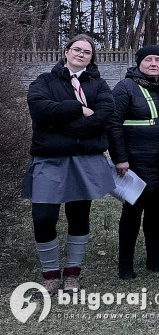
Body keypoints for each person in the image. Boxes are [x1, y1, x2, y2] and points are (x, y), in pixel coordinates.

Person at [24, 34, 115, 294]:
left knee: (79, 216)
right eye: (77, 49)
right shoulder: (45, 81)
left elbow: (103, 117)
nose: (81, 54)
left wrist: (60, 122)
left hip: (83, 160)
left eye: (87, 52)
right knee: (43, 217)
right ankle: (51, 274)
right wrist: (78, 109)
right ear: (66, 51)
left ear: (91, 57)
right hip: (49, 159)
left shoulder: (99, 85)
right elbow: (40, 111)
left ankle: (72, 274)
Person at [109, 45, 159, 280]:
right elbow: (113, 124)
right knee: (132, 213)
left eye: (158, 60)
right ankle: (125, 265)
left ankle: (154, 259)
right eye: (148, 59)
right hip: (135, 163)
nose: (154, 64)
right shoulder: (125, 87)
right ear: (139, 63)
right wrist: (120, 158)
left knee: (156, 212)